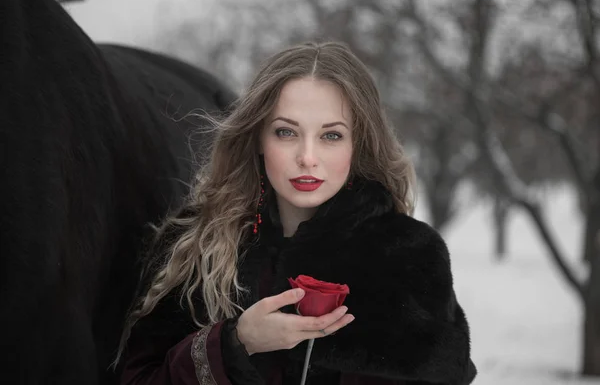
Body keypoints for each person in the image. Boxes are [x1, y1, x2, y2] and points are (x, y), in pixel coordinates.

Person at [116, 41, 477, 385]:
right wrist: (235, 344)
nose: (307, 156)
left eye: (331, 136)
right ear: (258, 137)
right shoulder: (194, 246)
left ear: (359, 144)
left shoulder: (407, 255)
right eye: (286, 132)